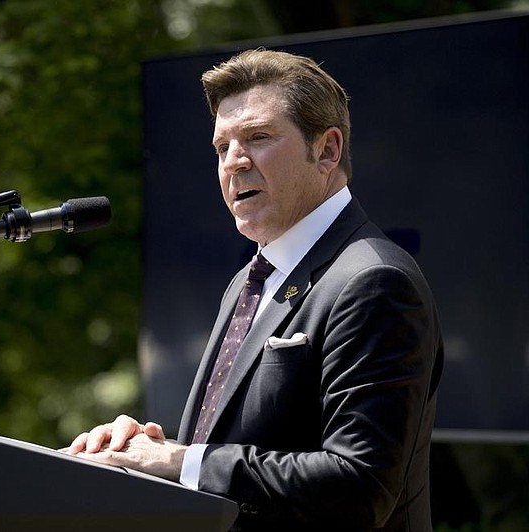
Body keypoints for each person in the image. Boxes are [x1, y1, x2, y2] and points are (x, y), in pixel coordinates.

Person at [66, 48, 443, 531]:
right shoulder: (251, 280)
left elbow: (360, 486)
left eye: (258, 138)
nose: (234, 162)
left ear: (327, 150)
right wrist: (139, 453)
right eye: (222, 147)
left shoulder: (373, 280)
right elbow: (229, 455)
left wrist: (182, 462)